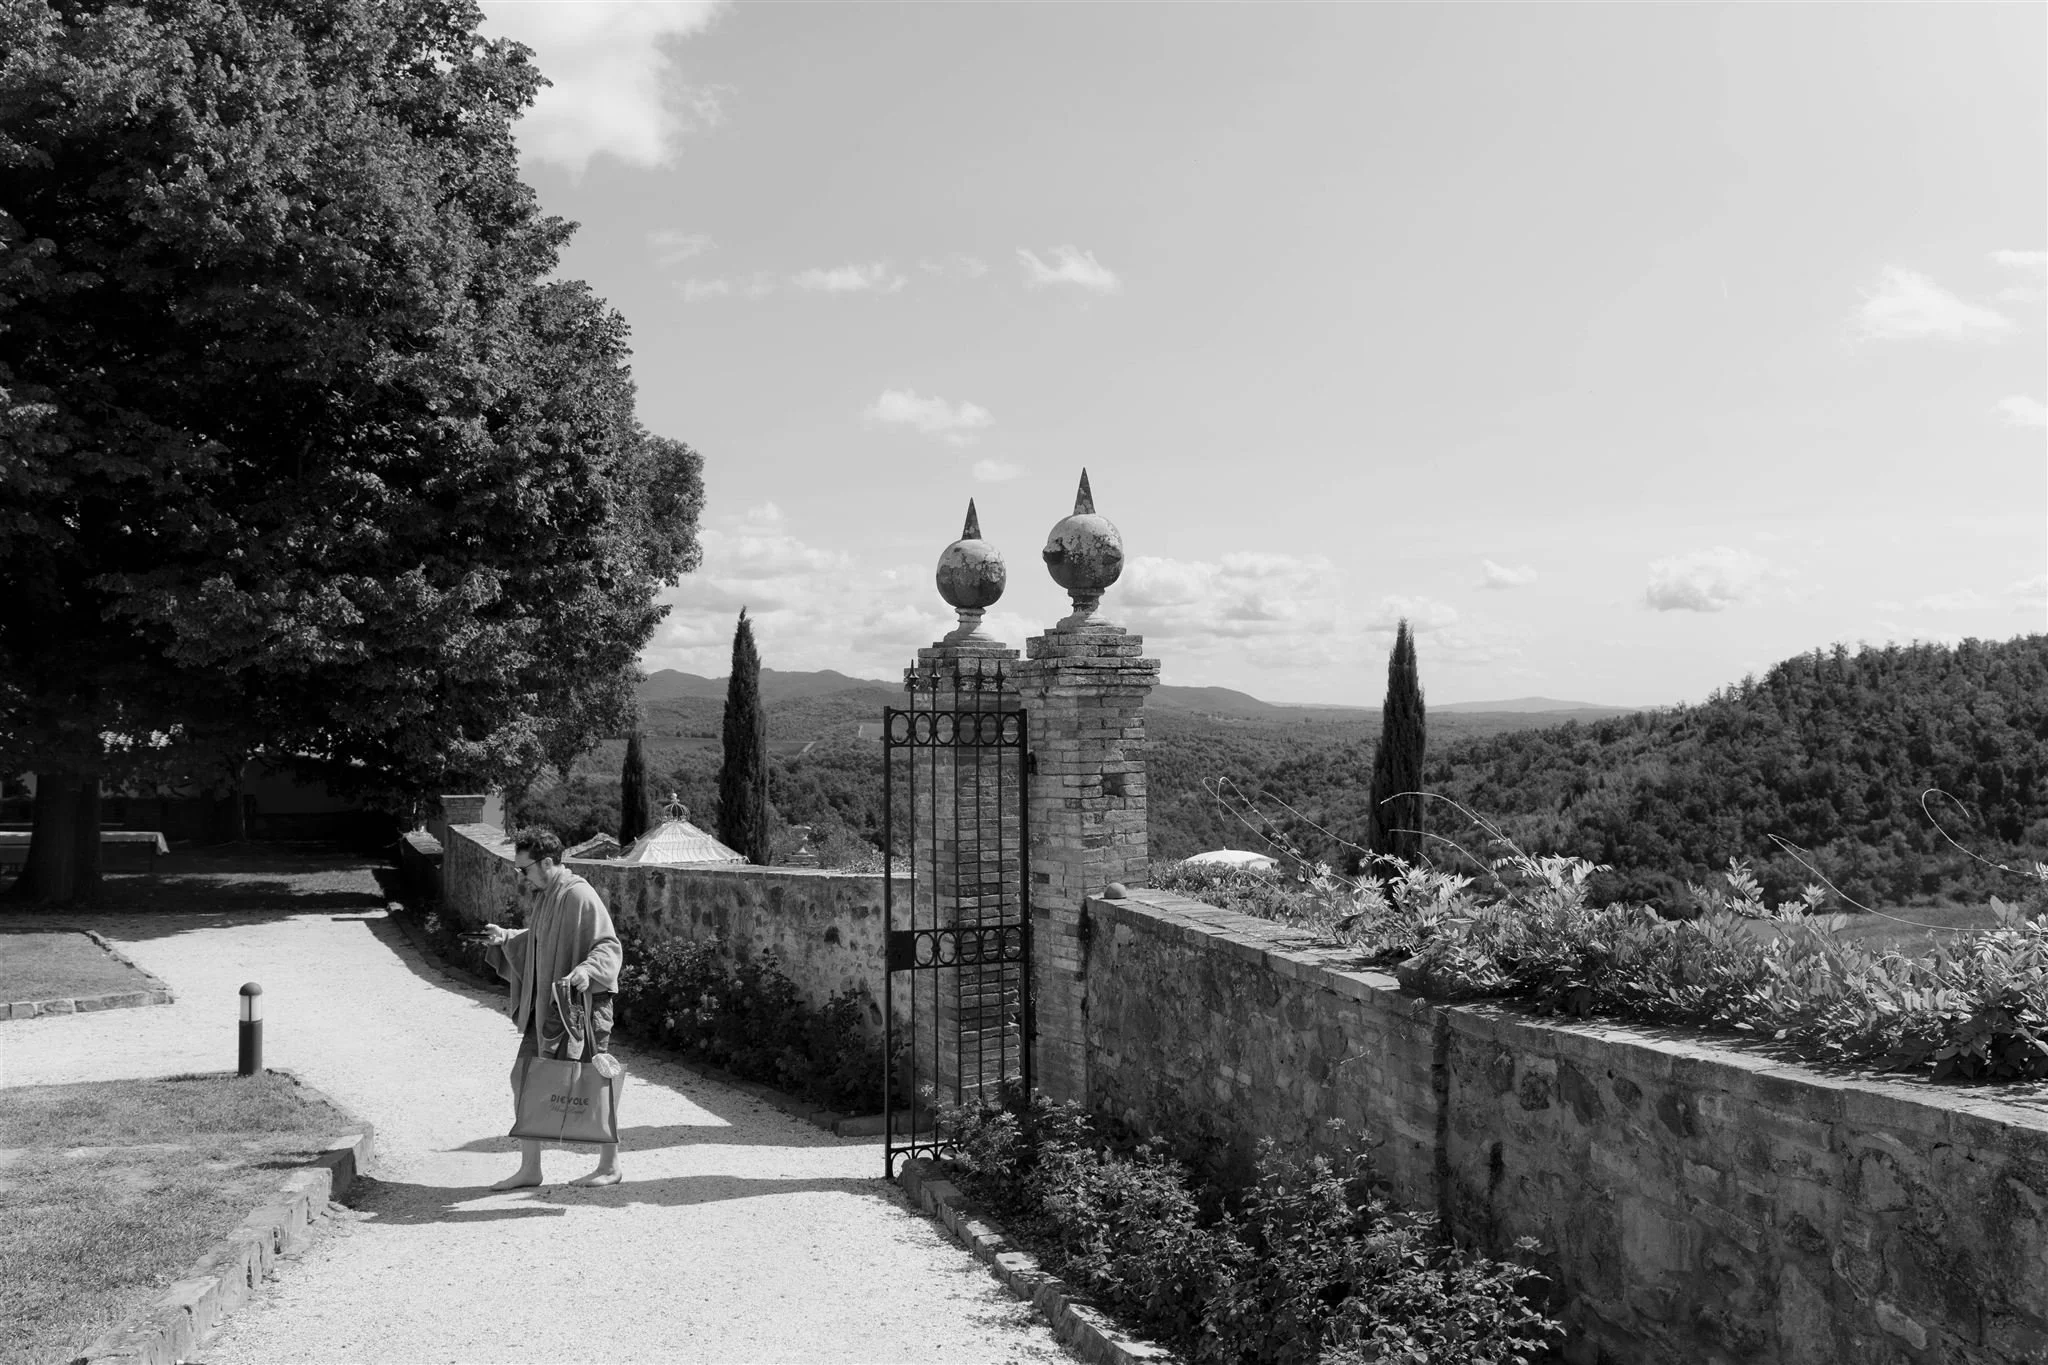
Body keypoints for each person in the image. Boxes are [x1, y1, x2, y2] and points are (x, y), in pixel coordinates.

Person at [476, 827, 624, 1189]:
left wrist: (587, 971)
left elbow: (608, 946)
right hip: (545, 1010)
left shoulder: (579, 895)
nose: (521, 877)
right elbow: (542, 942)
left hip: (579, 1010)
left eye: (523, 869)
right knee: (523, 1079)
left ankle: (610, 1165)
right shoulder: (546, 895)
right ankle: (531, 1169)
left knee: (595, 1083)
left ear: (546, 862)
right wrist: (507, 938)